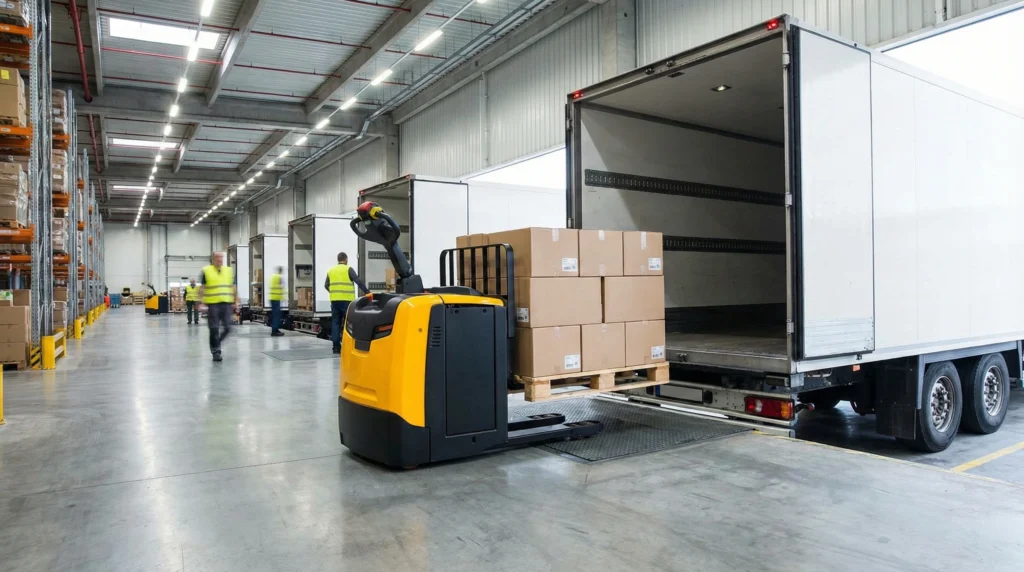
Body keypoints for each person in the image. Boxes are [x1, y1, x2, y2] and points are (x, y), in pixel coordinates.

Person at [198, 252, 238, 362]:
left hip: (226, 304)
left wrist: (235, 301)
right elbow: (202, 288)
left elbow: (233, 287)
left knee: (228, 328)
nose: (220, 259)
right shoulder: (206, 271)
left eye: (221, 257)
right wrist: (200, 301)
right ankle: (216, 352)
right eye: (217, 257)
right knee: (214, 329)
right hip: (213, 305)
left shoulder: (228, 271)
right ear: (213, 259)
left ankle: (216, 343)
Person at [325, 252, 368, 354]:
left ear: (338, 259)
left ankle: (336, 347)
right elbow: (358, 281)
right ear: (346, 259)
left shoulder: (331, 270)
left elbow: (326, 285)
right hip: (347, 301)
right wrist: (367, 291)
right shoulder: (348, 269)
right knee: (349, 323)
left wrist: (334, 292)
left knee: (335, 323)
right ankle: (348, 346)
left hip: (334, 301)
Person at [269, 266, 285, 337]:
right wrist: (284, 297)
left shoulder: (273, 277)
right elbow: (281, 287)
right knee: (276, 316)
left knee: (275, 315)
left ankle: (275, 330)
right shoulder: (279, 277)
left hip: (272, 298)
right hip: (276, 298)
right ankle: (274, 331)